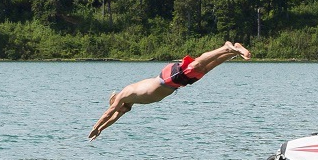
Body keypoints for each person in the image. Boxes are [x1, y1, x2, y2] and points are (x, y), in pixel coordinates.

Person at [87, 41, 251, 140]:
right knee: (203, 70)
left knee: (197, 64)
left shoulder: (124, 95)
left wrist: (95, 126)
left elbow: (109, 113)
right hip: (173, 84)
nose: (120, 111)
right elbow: (114, 117)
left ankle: (226, 47)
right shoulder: (130, 103)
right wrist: (101, 130)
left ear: (117, 102)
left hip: (166, 78)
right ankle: (232, 52)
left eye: (119, 109)